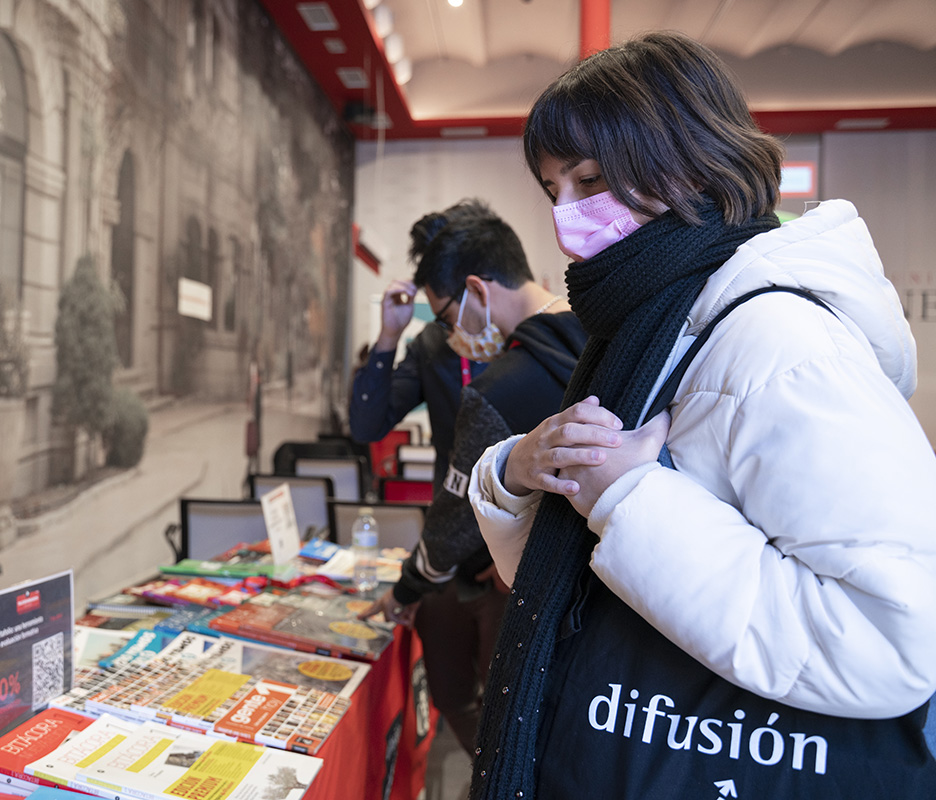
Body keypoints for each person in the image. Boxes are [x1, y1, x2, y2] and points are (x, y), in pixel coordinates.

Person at [466, 32, 936, 798]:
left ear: (688, 160)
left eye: (590, 179)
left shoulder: (779, 339)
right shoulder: (651, 323)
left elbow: (899, 635)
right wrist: (517, 474)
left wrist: (629, 497)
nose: (566, 218)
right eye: (553, 190)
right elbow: (586, 586)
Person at [360, 199, 586, 756]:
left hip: (519, 575)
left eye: (445, 317)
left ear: (477, 290)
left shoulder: (504, 382)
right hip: (565, 582)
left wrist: (409, 585)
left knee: (509, 722)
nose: (449, 333)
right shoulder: (591, 337)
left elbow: (458, 513)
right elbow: (367, 422)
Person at [348, 206, 490, 496]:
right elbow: (366, 427)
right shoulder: (431, 343)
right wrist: (388, 337)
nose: (451, 329)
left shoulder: (525, 335)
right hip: (451, 510)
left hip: (521, 512)